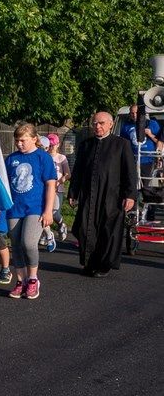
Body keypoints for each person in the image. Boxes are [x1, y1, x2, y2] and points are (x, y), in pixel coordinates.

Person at [68, 111, 137, 277]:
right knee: (85, 228)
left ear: (111, 124)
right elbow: (77, 171)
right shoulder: (86, 145)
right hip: (88, 194)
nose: (97, 126)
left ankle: (103, 265)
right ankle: (89, 263)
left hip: (112, 196)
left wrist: (130, 195)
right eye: (95, 123)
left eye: (101, 123)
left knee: (108, 231)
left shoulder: (122, 144)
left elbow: (130, 172)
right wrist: (73, 192)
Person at [4, 123, 56, 299]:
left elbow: (50, 184)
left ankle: (33, 279)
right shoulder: (11, 159)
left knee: (28, 242)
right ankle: (21, 281)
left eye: (23, 140)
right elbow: (4, 185)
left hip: (35, 208)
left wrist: (48, 211)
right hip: (14, 208)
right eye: (17, 140)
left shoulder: (43, 157)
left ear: (34, 139)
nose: (19, 144)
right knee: (16, 245)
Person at [120, 104, 161, 185]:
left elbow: (160, 142)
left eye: (136, 113)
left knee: (146, 185)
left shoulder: (152, 124)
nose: (134, 115)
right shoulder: (126, 126)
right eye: (132, 113)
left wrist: (150, 135)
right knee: (132, 184)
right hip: (132, 160)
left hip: (148, 160)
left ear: (142, 113)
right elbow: (123, 144)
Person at [46, 133, 71, 240]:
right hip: (45, 189)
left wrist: (59, 182)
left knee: (55, 213)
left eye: (54, 145)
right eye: (50, 145)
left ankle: (61, 224)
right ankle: (46, 233)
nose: (52, 147)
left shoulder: (61, 158)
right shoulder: (44, 156)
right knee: (44, 211)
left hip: (57, 189)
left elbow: (68, 174)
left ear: (58, 145)